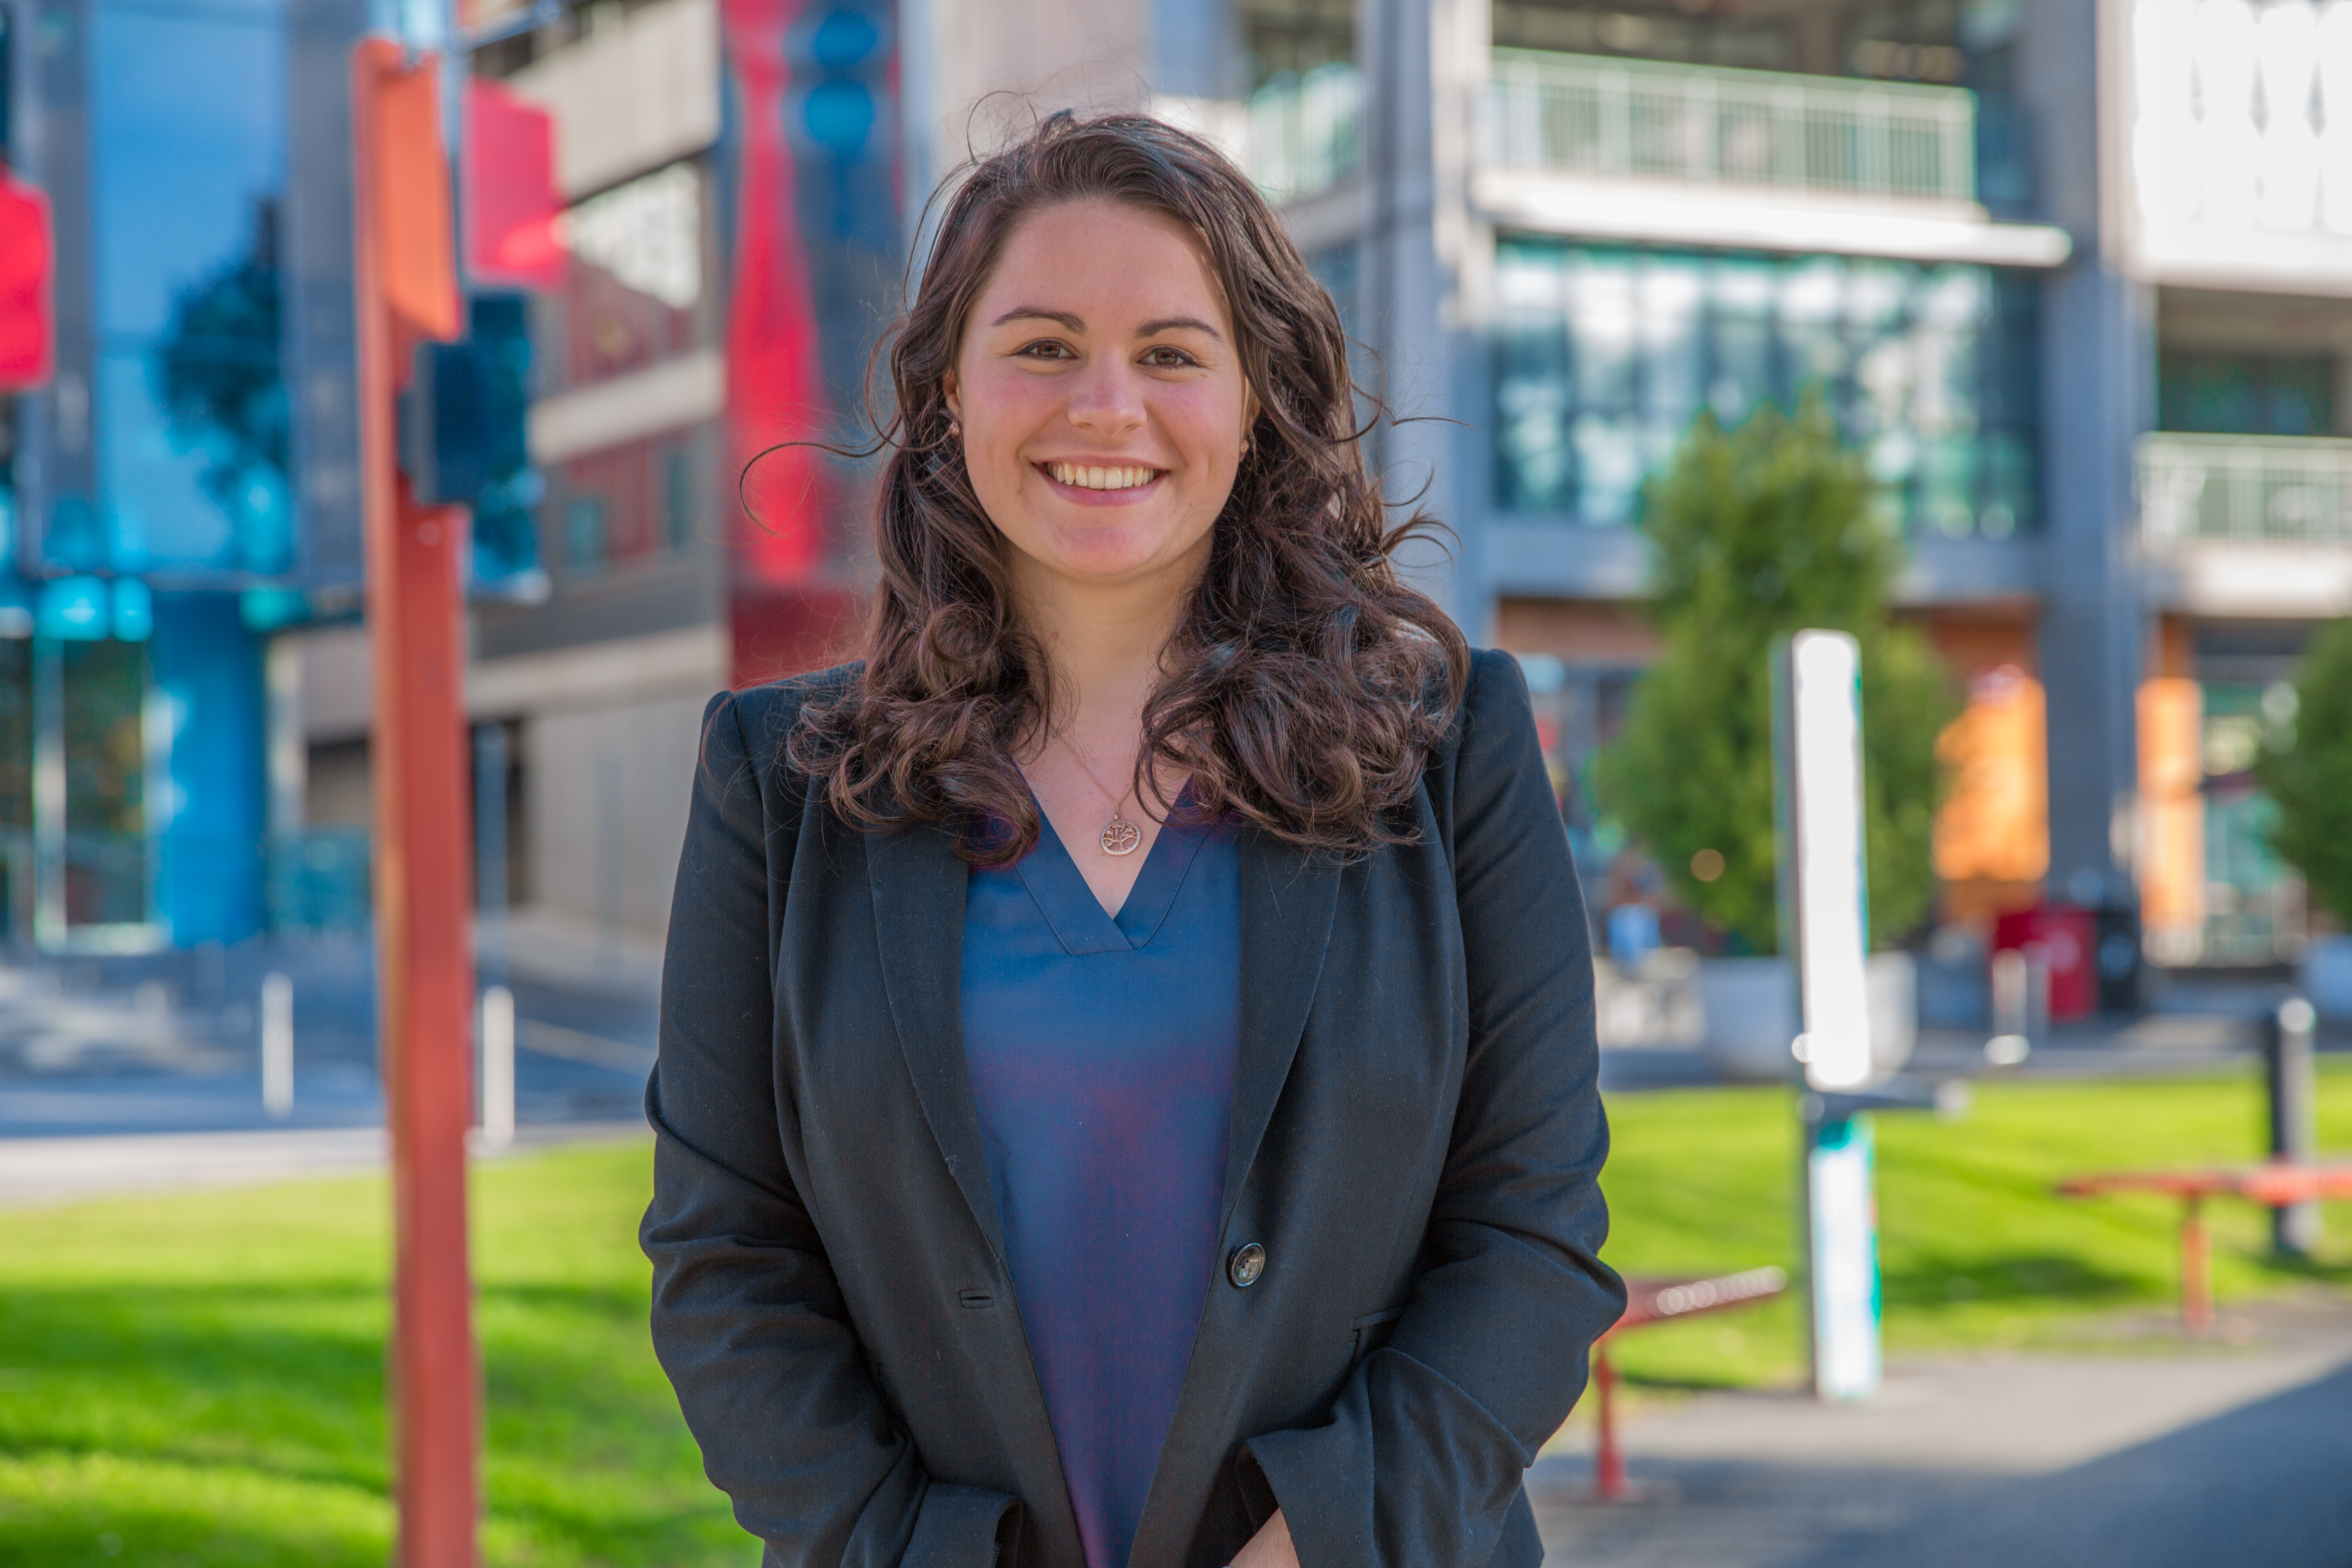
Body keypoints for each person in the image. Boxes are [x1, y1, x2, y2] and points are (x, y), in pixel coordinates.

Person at [641, 111, 1623, 1568]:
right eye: (1042, 345)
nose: (1108, 406)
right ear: (948, 395)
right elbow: (727, 1268)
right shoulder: (778, 787)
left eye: (1171, 352)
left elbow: (1532, 1242)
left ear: (1256, 398)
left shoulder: (1451, 744)